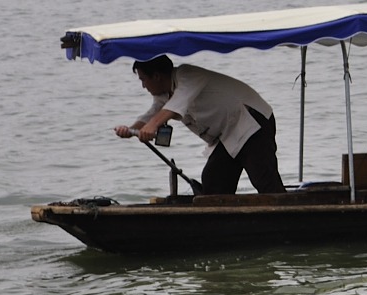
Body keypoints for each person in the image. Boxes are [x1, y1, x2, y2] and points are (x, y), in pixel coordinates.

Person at [114, 55, 286, 195]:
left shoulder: (187, 75)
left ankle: (287, 218)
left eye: (143, 80)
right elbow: (152, 114)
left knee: (264, 180)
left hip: (251, 120)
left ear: (157, 76)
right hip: (229, 134)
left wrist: (152, 126)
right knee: (213, 181)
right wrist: (130, 130)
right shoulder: (164, 95)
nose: (143, 86)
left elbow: (175, 105)